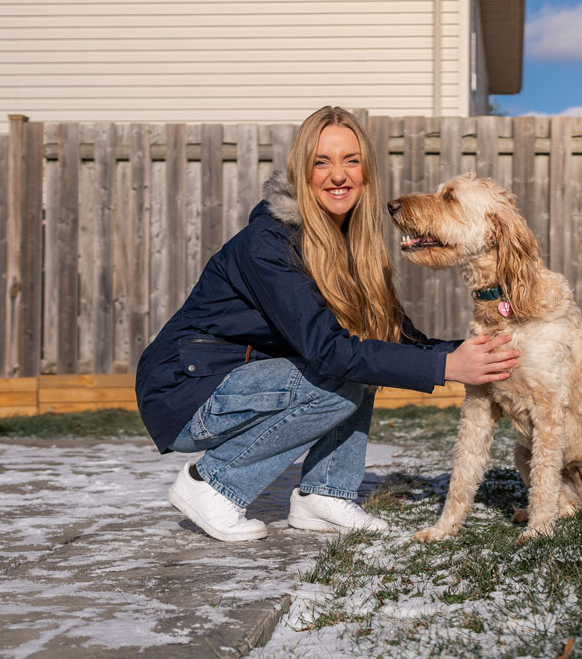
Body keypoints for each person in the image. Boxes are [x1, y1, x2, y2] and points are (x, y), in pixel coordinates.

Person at [135, 106, 519, 542]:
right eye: (322, 162)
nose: (338, 175)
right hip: (185, 390)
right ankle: (212, 483)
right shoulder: (269, 244)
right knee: (340, 373)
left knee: (366, 360)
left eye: (350, 160)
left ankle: (325, 494)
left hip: (240, 382)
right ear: (302, 172)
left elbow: (395, 341)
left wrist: (465, 354)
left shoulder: (349, 245)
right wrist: (446, 368)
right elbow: (329, 353)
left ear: (366, 171)